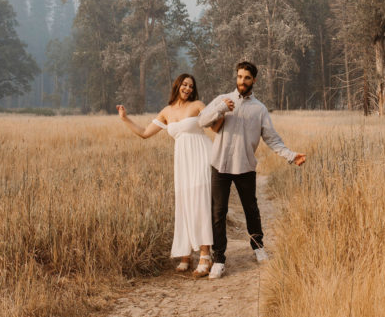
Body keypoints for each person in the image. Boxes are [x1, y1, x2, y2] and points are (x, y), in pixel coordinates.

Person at [198, 60, 306, 279]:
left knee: (251, 209)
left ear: (253, 80)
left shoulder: (259, 109)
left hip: (245, 166)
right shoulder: (222, 100)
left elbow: (272, 138)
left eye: (247, 78)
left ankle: (258, 246)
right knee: (218, 213)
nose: (242, 81)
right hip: (220, 165)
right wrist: (221, 108)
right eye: (239, 77)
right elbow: (202, 120)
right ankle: (219, 258)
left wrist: (291, 155)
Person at [117, 73, 221, 278]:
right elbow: (145, 133)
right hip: (182, 161)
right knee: (184, 204)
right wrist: (125, 118)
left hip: (201, 155)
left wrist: (222, 111)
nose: (188, 89)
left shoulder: (198, 105)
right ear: (177, 85)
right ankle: (185, 254)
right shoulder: (166, 111)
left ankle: (205, 254)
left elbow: (216, 127)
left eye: (191, 86)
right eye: (184, 84)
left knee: (200, 203)